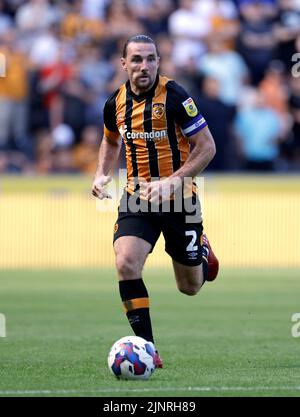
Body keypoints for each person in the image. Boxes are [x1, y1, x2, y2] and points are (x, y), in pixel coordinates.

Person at [92, 35, 219, 368]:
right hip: (137, 197)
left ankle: (202, 251)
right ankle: (148, 349)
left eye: (150, 59)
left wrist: (172, 182)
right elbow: (110, 139)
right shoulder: (115, 102)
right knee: (125, 263)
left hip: (180, 199)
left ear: (158, 62)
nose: (143, 66)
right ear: (124, 64)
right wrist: (102, 174)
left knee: (189, 287)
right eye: (136, 59)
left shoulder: (176, 96)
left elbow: (207, 147)